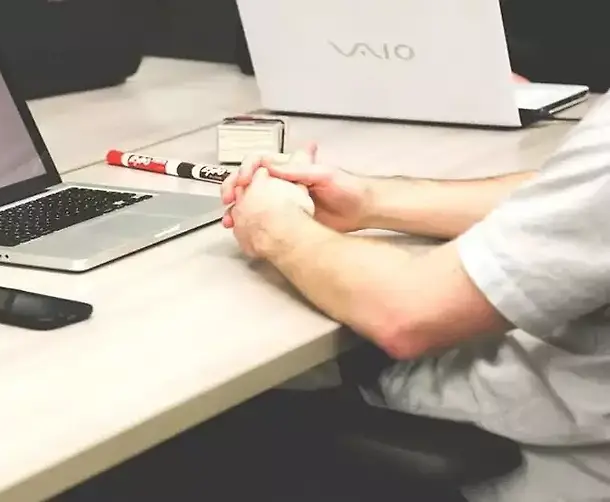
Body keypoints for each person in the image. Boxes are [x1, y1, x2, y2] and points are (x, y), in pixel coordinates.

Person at [219, 91, 610, 501]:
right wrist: (370, 200)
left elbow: (407, 316)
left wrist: (273, 225)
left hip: (538, 455)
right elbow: (572, 193)